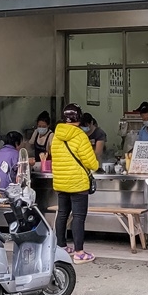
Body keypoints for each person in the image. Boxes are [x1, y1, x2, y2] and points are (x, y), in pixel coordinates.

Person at [51, 104, 99, 264]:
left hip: (61, 181)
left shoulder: (56, 136)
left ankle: (61, 247)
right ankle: (79, 253)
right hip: (78, 183)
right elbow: (91, 162)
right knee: (78, 216)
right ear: (79, 118)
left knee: (62, 214)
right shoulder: (80, 136)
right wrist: (95, 165)